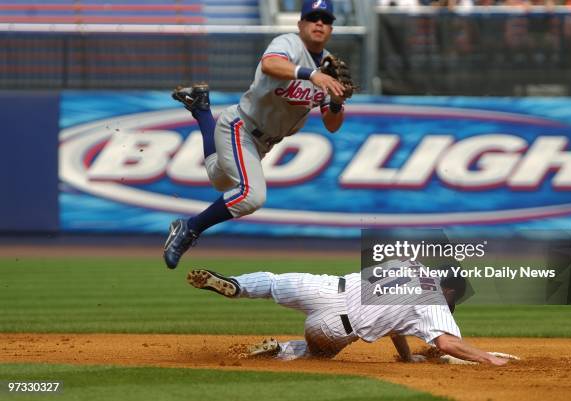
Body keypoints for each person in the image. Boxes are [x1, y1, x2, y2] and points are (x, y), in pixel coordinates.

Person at [163, 0, 348, 269]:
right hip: (241, 126)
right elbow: (271, 64)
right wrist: (310, 75)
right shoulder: (289, 43)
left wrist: (335, 101)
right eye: (313, 17)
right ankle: (188, 229)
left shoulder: (330, 67)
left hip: (264, 142)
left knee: (219, 179)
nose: (319, 23)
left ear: (331, 28)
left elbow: (332, 124)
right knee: (251, 196)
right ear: (300, 24)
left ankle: (201, 109)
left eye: (325, 19)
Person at [185, 259, 513, 365]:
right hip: (334, 326)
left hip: (326, 287)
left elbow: (396, 322)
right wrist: (488, 358)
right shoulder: (434, 301)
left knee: (271, 283)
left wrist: (404, 355)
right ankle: (281, 350)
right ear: (450, 289)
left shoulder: (408, 264)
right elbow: (446, 344)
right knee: (317, 356)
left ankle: (236, 285)